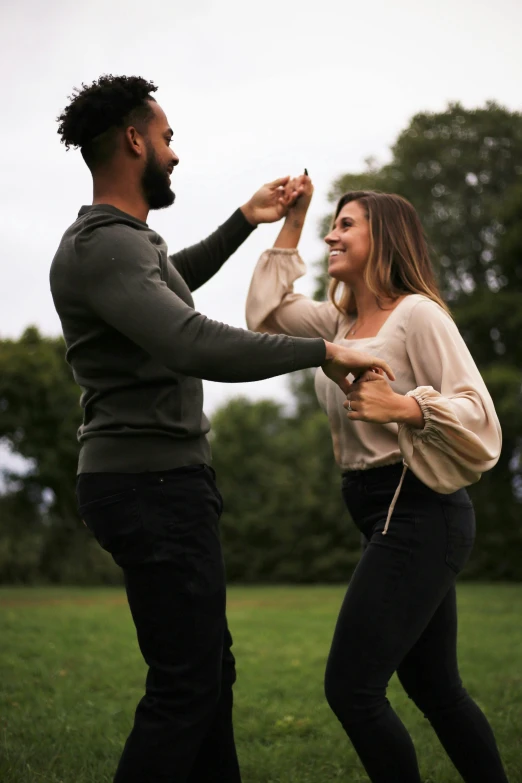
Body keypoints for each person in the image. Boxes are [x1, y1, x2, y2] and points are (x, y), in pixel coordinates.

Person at [49, 76, 394, 783]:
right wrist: (323, 350)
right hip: (150, 483)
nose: (175, 154)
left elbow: (170, 283)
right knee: (186, 685)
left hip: (159, 481)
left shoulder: (122, 248)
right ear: (136, 139)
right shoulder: (104, 247)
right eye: (168, 138)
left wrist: (247, 218)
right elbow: (189, 338)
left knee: (208, 673)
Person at [245, 176, 508, 783]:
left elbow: (480, 415)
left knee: (351, 689)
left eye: (345, 225)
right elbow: (265, 313)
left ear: (383, 238)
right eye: (330, 224)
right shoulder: (337, 325)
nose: (331, 235)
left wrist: (405, 406)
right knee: (436, 687)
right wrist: (293, 219)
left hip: (419, 509)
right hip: (381, 513)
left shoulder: (417, 315)